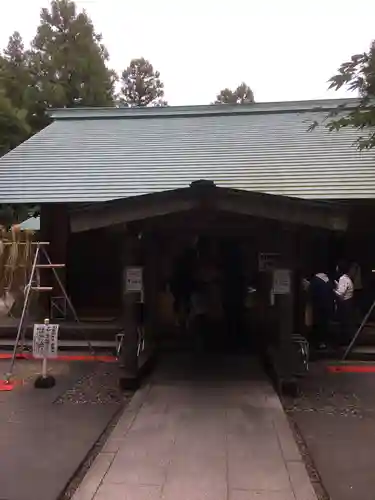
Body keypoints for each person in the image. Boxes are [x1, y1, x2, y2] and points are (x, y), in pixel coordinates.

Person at [306, 269, 335, 349]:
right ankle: (324, 341)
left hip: (317, 306)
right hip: (328, 306)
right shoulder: (328, 280)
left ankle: (318, 342)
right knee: (325, 324)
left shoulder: (315, 281)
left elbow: (310, 294)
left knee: (317, 324)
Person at [335, 261, 355, 345]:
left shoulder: (343, 279)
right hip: (348, 303)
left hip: (345, 304)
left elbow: (340, 294)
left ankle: (344, 342)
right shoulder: (347, 278)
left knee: (344, 323)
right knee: (346, 322)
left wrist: (332, 289)